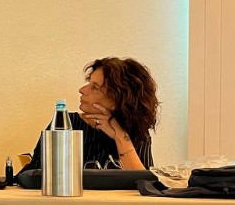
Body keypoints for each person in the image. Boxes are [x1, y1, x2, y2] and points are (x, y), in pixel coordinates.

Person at [19, 57, 159, 173]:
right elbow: (33, 176)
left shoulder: (136, 130)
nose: (82, 90)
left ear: (118, 100)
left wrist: (121, 138)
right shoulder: (66, 124)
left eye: (95, 87)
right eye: (88, 83)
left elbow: (144, 184)